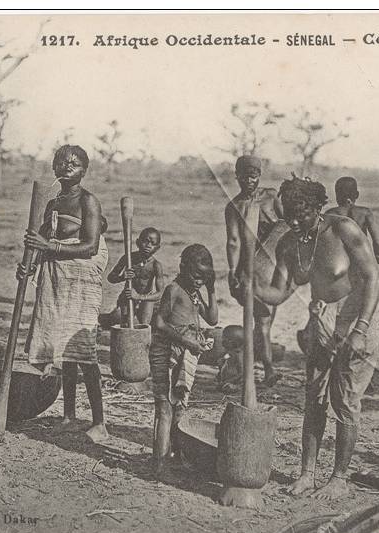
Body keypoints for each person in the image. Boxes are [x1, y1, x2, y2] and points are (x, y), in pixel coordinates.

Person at [254, 175, 379, 500]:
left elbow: (371, 280)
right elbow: (278, 293)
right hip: (321, 318)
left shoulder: (343, 230)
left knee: (345, 399)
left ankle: (339, 477)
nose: (295, 222)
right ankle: (307, 474)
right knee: (314, 396)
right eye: (289, 217)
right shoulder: (289, 242)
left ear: (317, 208)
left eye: (302, 214)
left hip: (356, 312)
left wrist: (361, 329)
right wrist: (251, 289)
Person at [18, 144, 110, 443]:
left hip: (82, 279)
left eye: (75, 163)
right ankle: (69, 416)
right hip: (58, 277)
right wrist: (28, 267)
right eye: (62, 162)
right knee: (64, 350)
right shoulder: (53, 202)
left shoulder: (88, 201)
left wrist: (50, 248)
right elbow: (39, 238)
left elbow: (91, 246)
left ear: (84, 169)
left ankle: (100, 422)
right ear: (54, 167)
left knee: (82, 348)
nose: (67, 166)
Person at [149, 244, 218, 477]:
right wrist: (188, 342)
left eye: (204, 278)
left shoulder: (194, 292)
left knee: (179, 407)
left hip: (185, 354)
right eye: (196, 276)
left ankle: (176, 458)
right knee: (165, 408)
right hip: (167, 352)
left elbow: (213, 319)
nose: (199, 281)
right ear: (182, 268)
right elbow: (158, 323)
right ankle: (159, 464)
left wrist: (213, 288)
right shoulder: (174, 290)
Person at [224, 155, 287, 387]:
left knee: (264, 323)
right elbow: (233, 241)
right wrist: (232, 270)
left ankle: (247, 361)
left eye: (254, 176)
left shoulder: (271, 196)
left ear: (259, 176)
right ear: (237, 177)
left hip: (274, 269)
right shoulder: (234, 207)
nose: (249, 181)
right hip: (250, 271)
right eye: (245, 176)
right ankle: (267, 369)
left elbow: (286, 223)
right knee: (262, 322)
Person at [99, 227, 166, 328]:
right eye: (146, 241)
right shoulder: (129, 258)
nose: (148, 246)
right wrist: (122, 277)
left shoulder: (156, 265)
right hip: (129, 295)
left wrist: (139, 297)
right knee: (126, 324)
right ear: (138, 242)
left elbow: (160, 294)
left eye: (153, 243)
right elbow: (111, 278)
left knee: (144, 326)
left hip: (146, 297)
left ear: (158, 247)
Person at [327, 176, 379, 263]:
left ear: (336, 195)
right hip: (361, 258)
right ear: (357, 195)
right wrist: (376, 255)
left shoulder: (330, 214)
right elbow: (378, 241)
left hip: (339, 258)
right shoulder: (365, 212)